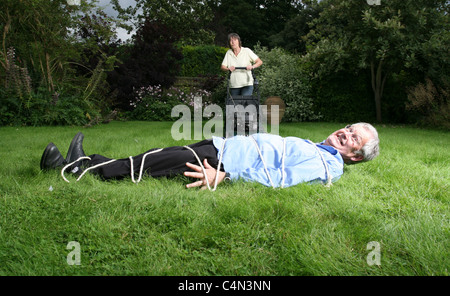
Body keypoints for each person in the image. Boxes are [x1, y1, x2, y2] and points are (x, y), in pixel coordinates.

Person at [40, 123, 379, 190]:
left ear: (354, 157)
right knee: (153, 156)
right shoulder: (319, 148)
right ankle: (87, 161)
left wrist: (226, 177)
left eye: (353, 139)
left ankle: (70, 165)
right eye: (348, 129)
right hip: (221, 147)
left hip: (221, 162)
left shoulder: (326, 163)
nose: (345, 134)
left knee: (152, 165)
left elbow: (282, 179)